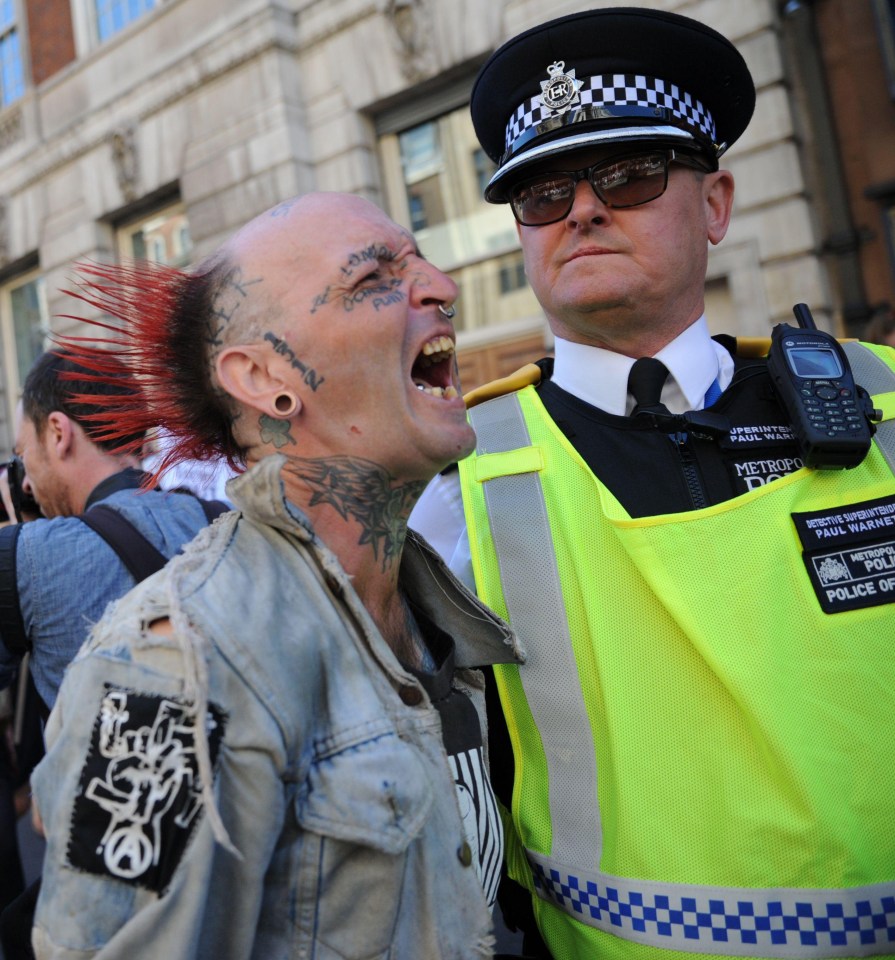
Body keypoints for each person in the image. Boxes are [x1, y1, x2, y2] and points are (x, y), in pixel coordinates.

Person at [410, 7, 895, 959]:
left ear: (714, 204)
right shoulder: (453, 483)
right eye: (541, 194)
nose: (581, 209)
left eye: (626, 176)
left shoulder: (882, 397)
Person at [28, 191, 524, 959]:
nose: (441, 285)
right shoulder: (172, 667)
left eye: (419, 255)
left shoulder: (435, 613)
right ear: (264, 378)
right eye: (371, 278)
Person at [0, 350, 225, 713]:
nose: (25, 483)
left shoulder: (25, 558)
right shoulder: (221, 519)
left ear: (58, 433)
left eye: (24, 453)